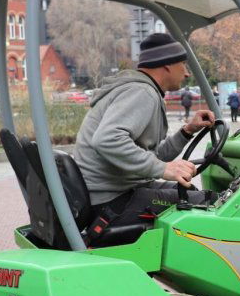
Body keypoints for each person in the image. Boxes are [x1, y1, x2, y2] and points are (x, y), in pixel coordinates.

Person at [74, 33, 216, 233]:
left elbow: (147, 157)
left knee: (190, 192)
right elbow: (107, 140)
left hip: (115, 192)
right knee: (207, 203)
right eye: (183, 64)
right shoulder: (142, 92)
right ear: (166, 65)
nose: (186, 73)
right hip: (111, 201)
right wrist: (164, 168)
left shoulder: (140, 90)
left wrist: (187, 131)